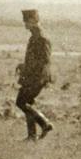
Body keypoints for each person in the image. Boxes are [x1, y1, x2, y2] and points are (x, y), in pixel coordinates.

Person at [16, 9, 54, 140]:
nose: (24, 24)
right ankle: (31, 136)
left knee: (21, 102)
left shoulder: (42, 38)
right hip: (33, 77)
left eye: (26, 21)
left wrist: (33, 75)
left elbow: (45, 61)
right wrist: (24, 66)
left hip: (37, 78)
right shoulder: (35, 37)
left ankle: (44, 123)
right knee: (27, 103)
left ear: (32, 21)